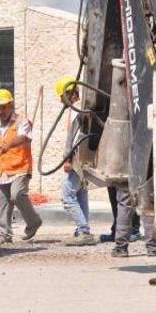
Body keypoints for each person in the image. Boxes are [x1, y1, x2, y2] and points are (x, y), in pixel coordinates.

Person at [0, 89, 42, 243]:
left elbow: (25, 138)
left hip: (20, 167)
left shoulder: (22, 121)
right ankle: (4, 234)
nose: (0, 111)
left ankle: (33, 222)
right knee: (1, 203)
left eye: (4, 107)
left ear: (11, 105)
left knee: (17, 195)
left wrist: (9, 144)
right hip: (1, 170)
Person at [57, 76, 97, 246]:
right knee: (81, 195)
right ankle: (83, 229)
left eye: (61, 96)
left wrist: (68, 159)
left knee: (67, 196)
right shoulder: (82, 110)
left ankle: (83, 229)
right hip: (85, 157)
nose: (60, 101)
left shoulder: (75, 112)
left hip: (76, 160)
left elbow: (73, 140)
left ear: (69, 94)